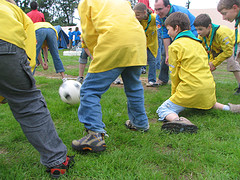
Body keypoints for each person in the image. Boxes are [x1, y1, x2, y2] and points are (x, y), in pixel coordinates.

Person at [0, 0, 74, 178]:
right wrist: (26, 77)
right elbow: (30, 49)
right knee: (28, 103)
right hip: (6, 41)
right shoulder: (13, 10)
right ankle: (57, 160)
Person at [72, 0, 149, 152]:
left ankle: (94, 134)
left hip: (114, 39)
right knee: (134, 87)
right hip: (137, 40)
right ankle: (140, 123)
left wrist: (95, 53)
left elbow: (88, 32)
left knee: (90, 90)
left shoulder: (86, 2)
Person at [156, 12, 240, 133]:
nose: (168, 33)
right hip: (209, 89)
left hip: (190, 91)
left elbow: (174, 75)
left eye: (168, 29)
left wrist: (174, 94)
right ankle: (230, 108)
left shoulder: (175, 46)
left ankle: (180, 121)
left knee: (162, 109)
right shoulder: (198, 44)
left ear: (176, 28)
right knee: (209, 103)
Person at [194, 14, 240, 95]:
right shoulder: (201, 36)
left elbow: (228, 52)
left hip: (234, 44)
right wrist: (210, 63)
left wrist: (214, 63)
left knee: (232, 62)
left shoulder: (221, 33)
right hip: (218, 48)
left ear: (209, 26)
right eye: (197, 29)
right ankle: (206, 87)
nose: (198, 32)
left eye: (200, 29)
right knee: (206, 65)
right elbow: (206, 51)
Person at [154, 0, 197, 85]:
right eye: (156, 9)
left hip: (190, 33)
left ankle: (188, 80)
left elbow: (184, 30)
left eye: (160, 9)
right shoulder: (159, 18)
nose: (157, 12)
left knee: (184, 55)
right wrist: (167, 54)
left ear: (168, 7)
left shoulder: (180, 12)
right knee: (166, 54)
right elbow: (165, 36)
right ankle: (163, 79)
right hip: (175, 34)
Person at [133, 3, 158, 87]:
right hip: (141, 43)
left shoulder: (154, 18)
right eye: (135, 15)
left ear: (144, 12)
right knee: (138, 61)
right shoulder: (136, 20)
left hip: (151, 43)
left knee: (152, 61)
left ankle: (152, 80)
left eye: (138, 14)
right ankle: (135, 80)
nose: (136, 17)